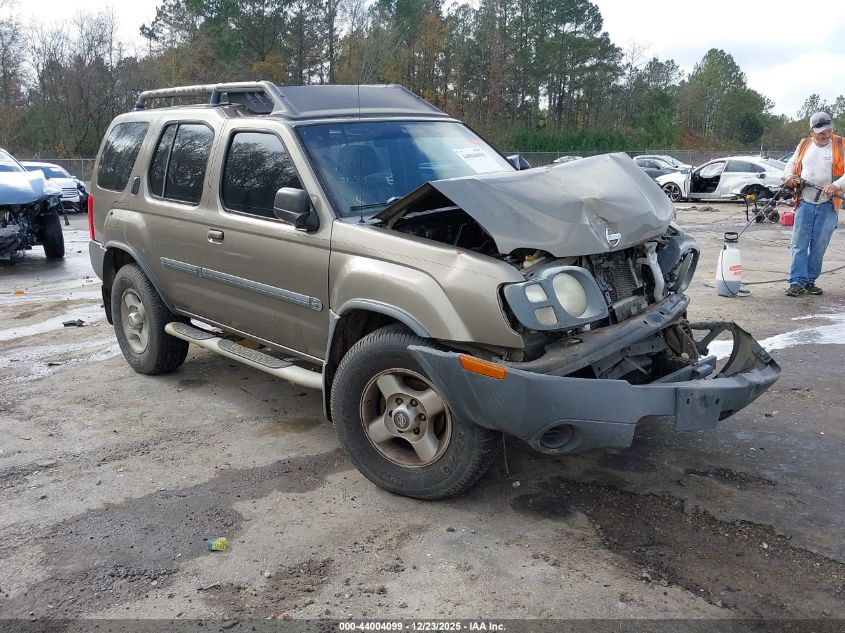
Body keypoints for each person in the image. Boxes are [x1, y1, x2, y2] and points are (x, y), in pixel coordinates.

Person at [783, 112, 845, 296]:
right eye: (820, 132)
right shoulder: (804, 144)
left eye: (828, 131)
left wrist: (836, 185)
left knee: (819, 245)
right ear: (812, 132)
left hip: (828, 204)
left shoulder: (841, 145)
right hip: (805, 201)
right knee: (799, 243)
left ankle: (809, 281)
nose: (825, 135)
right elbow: (792, 163)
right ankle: (797, 281)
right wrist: (788, 176)